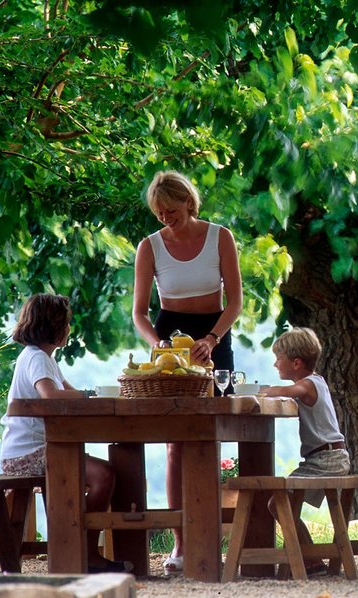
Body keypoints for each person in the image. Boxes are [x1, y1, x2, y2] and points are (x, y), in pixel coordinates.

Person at [132, 170, 243, 575]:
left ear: (190, 204)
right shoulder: (150, 247)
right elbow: (140, 313)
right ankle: (180, 543)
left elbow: (235, 301)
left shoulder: (220, 236)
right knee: (175, 442)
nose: (166, 219)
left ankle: (212, 536)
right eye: (159, 213)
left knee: (212, 436)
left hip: (214, 334)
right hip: (169, 339)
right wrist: (157, 345)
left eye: (172, 211)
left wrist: (213, 339)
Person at [0, 294, 132, 573]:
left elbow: (69, 393)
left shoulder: (44, 359)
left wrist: (91, 394)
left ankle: (75, 544)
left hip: (36, 450)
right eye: (67, 323)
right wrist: (90, 396)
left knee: (101, 473)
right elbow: (51, 396)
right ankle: (83, 550)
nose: (69, 329)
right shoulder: (37, 358)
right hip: (29, 454)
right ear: (54, 325)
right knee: (103, 475)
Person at [259, 327, 350, 576]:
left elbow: (293, 392)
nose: (275, 364)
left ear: (296, 363)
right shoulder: (317, 381)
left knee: (277, 504)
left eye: (279, 359)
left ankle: (309, 561)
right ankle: (311, 560)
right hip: (330, 457)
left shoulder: (308, 384)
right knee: (279, 503)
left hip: (325, 460)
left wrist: (263, 391)